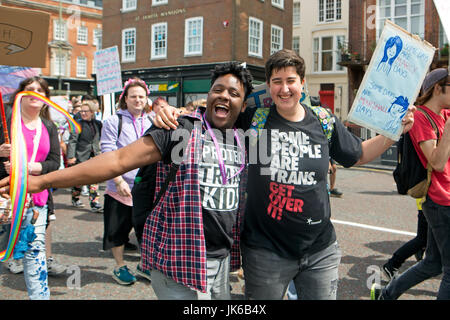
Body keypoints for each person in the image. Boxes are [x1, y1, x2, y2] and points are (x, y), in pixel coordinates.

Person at [153, 49, 415, 300]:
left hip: (320, 250)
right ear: (268, 85)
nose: (284, 88)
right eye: (277, 81)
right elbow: (217, 113)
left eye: (291, 80)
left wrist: (395, 131)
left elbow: (359, 154)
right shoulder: (254, 119)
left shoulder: (324, 121)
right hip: (265, 253)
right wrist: (174, 112)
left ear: (302, 83)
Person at [0, 62, 254, 300]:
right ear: (208, 96)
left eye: (233, 93)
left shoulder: (242, 138)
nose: (223, 96)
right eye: (217, 89)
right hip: (181, 259)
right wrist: (42, 181)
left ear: (243, 106)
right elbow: (117, 160)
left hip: (222, 261)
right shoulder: (182, 129)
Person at [371, 67, 450, 300]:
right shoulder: (421, 119)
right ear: (438, 88)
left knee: (433, 264)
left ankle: (385, 295)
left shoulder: (443, 115)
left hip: (444, 198)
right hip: (439, 199)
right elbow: (436, 162)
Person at [0, 76, 62, 299]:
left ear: (45, 99)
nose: (35, 92)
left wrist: (31, 166)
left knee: (35, 254)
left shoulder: (48, 126)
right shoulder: (5, 121)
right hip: (4, 199)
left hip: (36, 202)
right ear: (20, 95)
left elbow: (55, 162)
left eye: (40, 90)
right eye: (30, 89)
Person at [100, 77, 152, 285]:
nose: (138, 100)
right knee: (117, 230)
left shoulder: (152, 120)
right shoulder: (114, 121)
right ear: (125, 99)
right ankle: (119, 266)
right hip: (119, 188)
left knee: (146, 229)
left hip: (145, 188)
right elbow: (107, 151)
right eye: (134, 97)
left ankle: (144, 264)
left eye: (141, 96)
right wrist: (118, 180)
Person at [67, 101, 103, 212]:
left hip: (94, 156)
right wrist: (71, 156)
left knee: (94, 180)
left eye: (85, 111)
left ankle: (94, 202)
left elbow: (100, 139)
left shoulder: (98, 124)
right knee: (79, 181)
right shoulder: (77, 124)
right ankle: (75, 198)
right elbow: (72, 141)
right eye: (81, 111)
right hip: (81, 156)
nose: (82, 113)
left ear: (92, 112)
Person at [382, 198, 427, 280]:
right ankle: (392, 265)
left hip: (433, 202)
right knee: (422, 239)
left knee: (425, 240)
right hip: (433, 202)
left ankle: (392, 265)